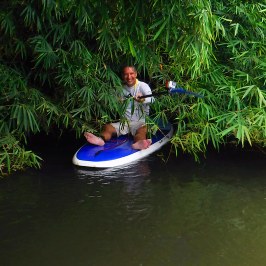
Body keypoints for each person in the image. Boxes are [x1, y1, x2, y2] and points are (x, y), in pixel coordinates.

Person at [84, 65, 154, 150]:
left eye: (131, 73)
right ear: (122, 76)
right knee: (107, 127)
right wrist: (115, 100)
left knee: (142, 131)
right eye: (126, 74)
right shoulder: (119, 88)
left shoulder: (143, 86)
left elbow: (152, 99)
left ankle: (138, 143)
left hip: (140, 122)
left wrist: (142, 99)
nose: (129, 77)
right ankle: (100, 140)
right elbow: (107, 99)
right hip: (124, 122)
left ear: (135, 74)